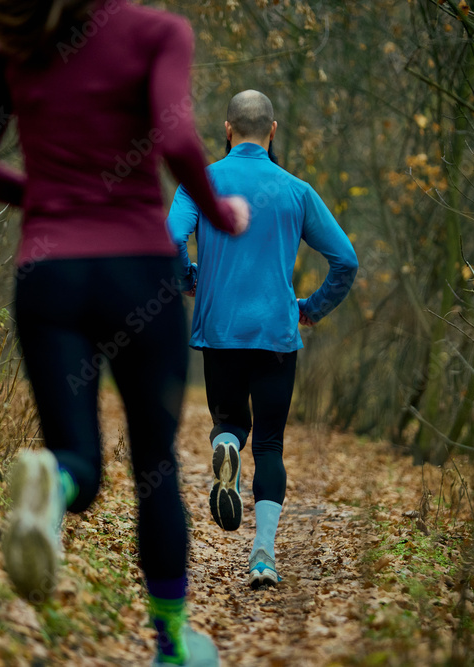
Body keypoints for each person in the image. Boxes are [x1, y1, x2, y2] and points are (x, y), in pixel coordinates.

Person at [0, 2, 249, 665]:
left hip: (48, 276)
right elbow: (175, 141)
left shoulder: (18, 44)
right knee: (155, 466)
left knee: (78, 460)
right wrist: (221, 214)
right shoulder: (156, 32)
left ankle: (53, 481)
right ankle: (170, 647)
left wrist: (52, 201)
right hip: (137, 275)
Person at [166, 89, 357, 589]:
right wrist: (310, 310)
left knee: (229, 421)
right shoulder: (296, 190)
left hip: (220, 330)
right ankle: (263, 556)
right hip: (276, 333)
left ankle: (226, 444)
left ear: (228, 129)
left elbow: (165, 242)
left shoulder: (200, 183)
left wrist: (190, 280)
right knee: (270, 446)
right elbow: (346, 261)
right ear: (272, 131)